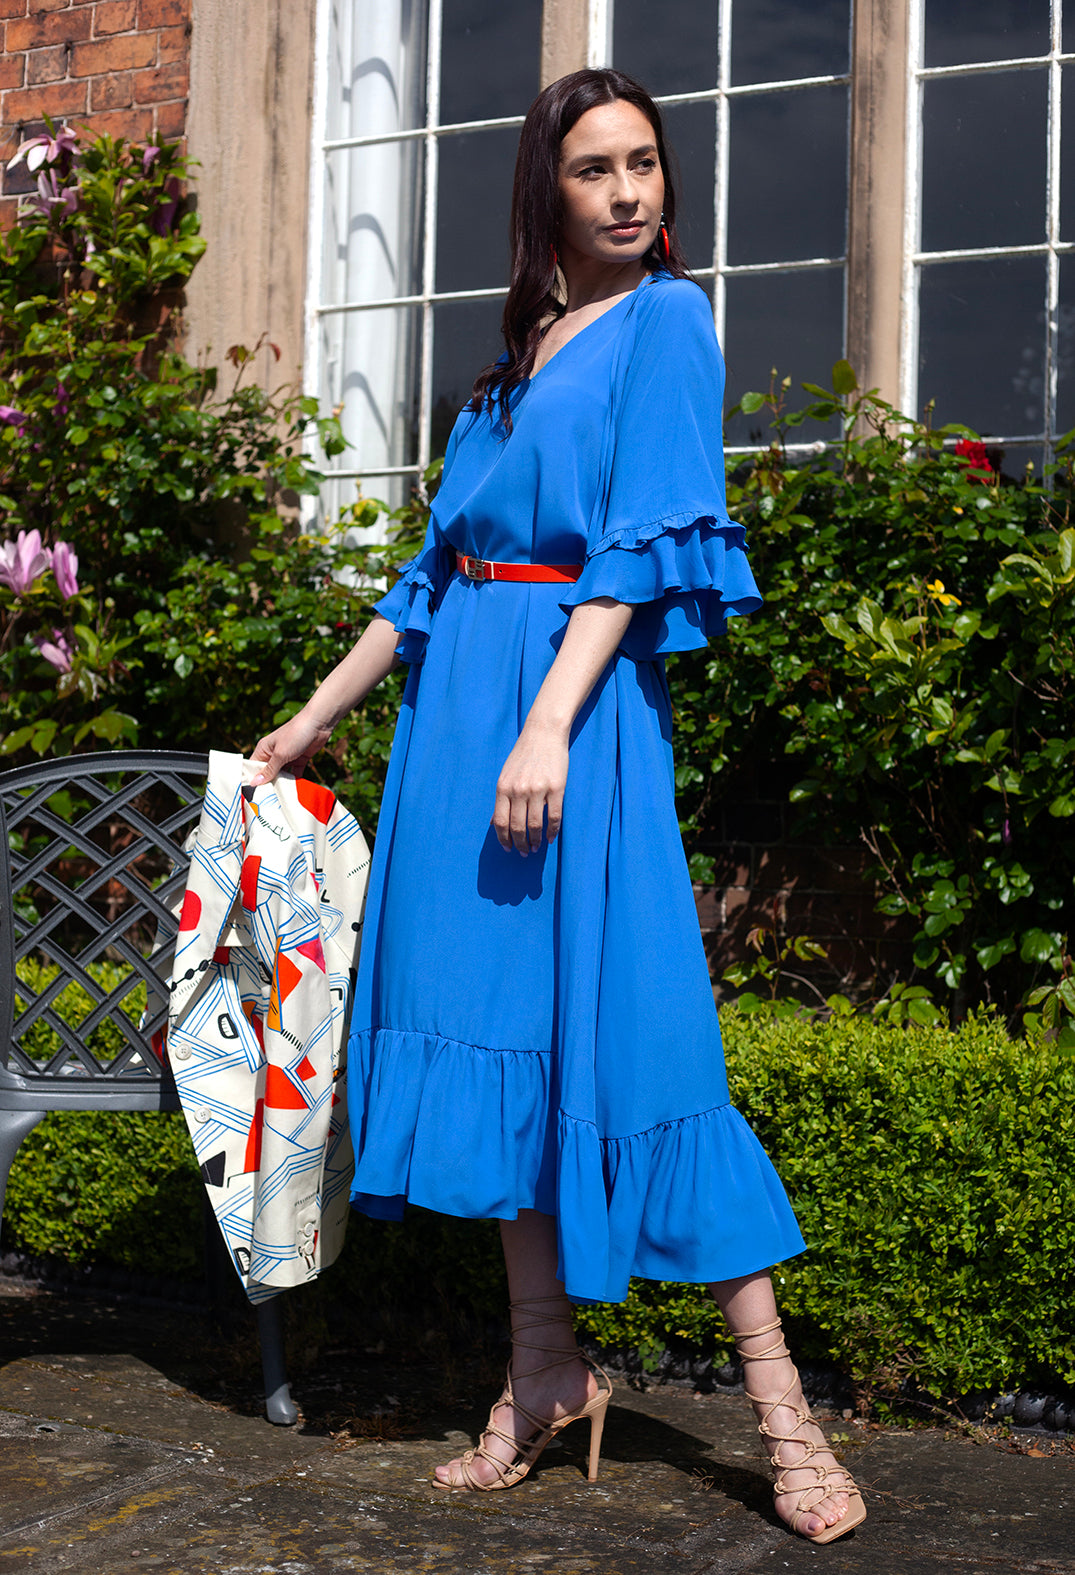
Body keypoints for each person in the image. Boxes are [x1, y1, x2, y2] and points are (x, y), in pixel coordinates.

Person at [252, 68, 865, 1545]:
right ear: (549, 192)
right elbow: (430, 583)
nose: (630, 192)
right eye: (596, 170)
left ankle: (784, 1415)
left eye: (645, 163)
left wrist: (548, 723)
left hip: (566, 727)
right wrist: (304, 725)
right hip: (459, 731)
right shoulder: (519, 354)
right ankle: (543, 1376)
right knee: (507, 1047)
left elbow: (643, 548)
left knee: (646, 1034)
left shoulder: (670, 321)